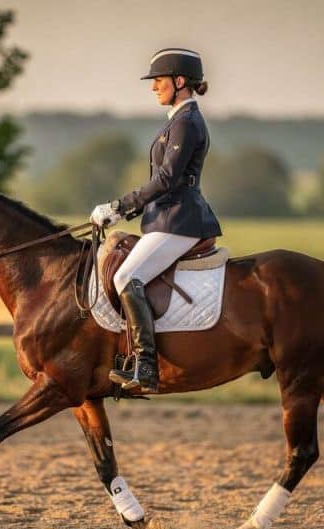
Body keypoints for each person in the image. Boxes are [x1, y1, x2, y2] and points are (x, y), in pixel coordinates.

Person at [89, 47, 223, 394]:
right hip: (166, 218)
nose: (154, 88)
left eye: (159, 81)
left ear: (180, 82)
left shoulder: (187, 122)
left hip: (180, 222)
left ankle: (145, 365)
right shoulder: (178, 121)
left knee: (127, 276)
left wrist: (119, 206)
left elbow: (166, 180)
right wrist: (128, 210)